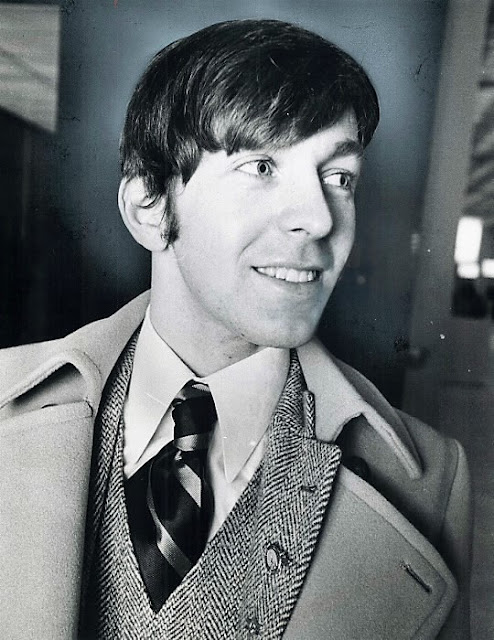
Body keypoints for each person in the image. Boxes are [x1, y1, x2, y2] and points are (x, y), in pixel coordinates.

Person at [0, 19, 472, 639]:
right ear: (149, 206)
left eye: (339, 178)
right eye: (262, 166)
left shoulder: (432, 481)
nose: (319, 219)